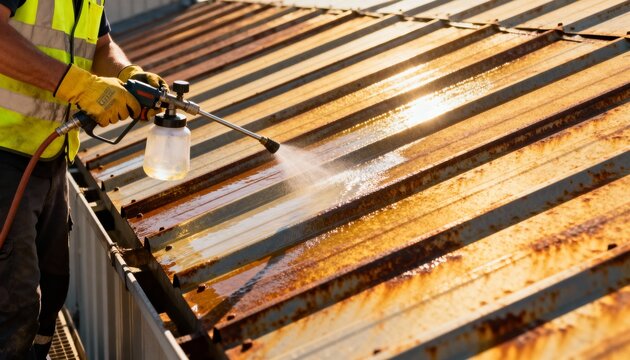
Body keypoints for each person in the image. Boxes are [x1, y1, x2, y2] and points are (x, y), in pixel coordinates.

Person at [0, 1, 167, 358]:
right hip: (3, 154)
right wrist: (80, 86)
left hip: (48, 156)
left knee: (54, 283)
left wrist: (127, 75)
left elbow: (102, 47)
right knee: (12, 303)